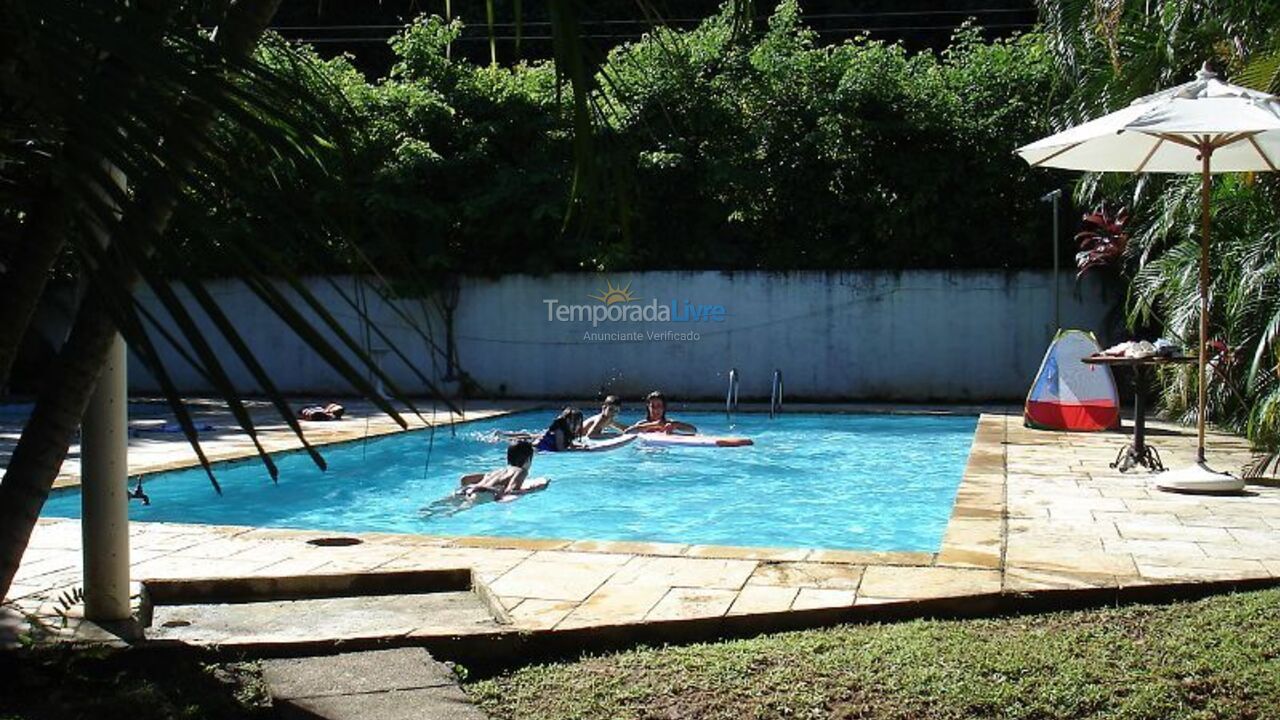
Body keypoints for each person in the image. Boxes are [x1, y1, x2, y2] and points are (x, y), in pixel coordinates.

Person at [457, 439, 535, 500]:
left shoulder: (498, 471)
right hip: (480, 493)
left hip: (467, 490)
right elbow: (510, 491)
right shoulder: (521, 471)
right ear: (528, 459)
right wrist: (531, 490)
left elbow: (465, 479)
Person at [625, 391, 697, 434]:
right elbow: (627, 432)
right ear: (648, 408)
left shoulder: (669, 423)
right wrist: (653, 425)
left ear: (664, 408)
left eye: (659, 406)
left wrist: (675, 425)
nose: (656, 410)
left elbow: (693, 430)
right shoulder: (642, 424)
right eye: (653, 406)